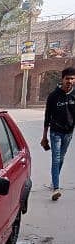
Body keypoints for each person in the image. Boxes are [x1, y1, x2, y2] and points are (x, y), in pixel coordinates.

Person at [41, 66, 75, 201]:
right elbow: (47, 117)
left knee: (61, 158)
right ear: (62, 79)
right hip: (55, 132)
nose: (70, 81)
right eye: (67, 79)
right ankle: (56, 188)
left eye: (72, 79)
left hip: (69, 133)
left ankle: (54, 181)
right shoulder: (53, 96)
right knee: (56, 159)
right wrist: (44, 136)